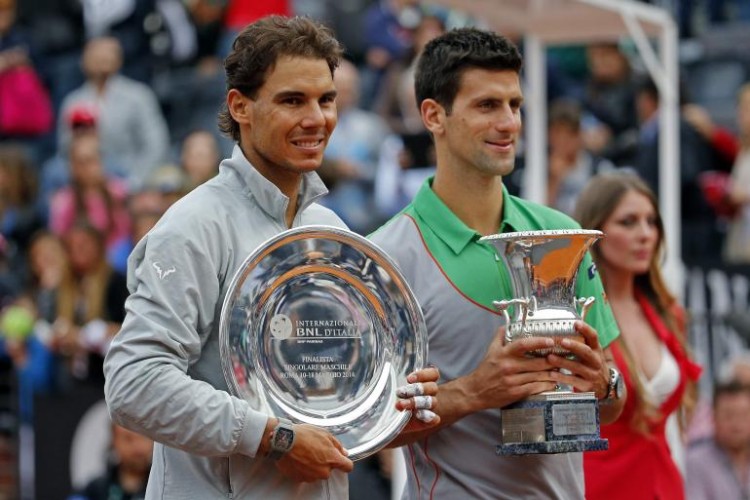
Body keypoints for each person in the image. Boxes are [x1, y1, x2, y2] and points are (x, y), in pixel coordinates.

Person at [103, 16, 439, 499]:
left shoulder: (331, 231)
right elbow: (135, 384)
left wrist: (393, 399)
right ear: (240, 106)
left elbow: (335, 405)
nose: (317, 118)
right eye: (292, 100)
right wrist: (274, 439)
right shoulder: (192, 226)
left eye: (326, 99)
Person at [369, 27, 625, 499]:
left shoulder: (561, 235)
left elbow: (612, 402)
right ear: (433, 115)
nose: (509, 123)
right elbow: (367, 432)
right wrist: (471, 393)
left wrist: (602, 385)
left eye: (515, 105)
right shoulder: (383, 257)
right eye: (487, 106)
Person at [575, 171, 702, 500]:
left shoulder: (669, 314)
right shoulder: (576, 319)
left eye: (651, 222)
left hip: (664, 484)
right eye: (628, 222)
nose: (645, 234)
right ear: (595, 232)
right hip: (598, 486)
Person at [685, 380, 750, 500]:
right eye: (729, 416)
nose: (736, 424)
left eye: (744, 415)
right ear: (713, 417)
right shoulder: (696, 462)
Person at [76, 424, 153, 500]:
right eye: (128, 438)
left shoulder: (161, 487)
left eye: (143, 437)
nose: (137, 447)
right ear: (114, 441)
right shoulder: (94, 490)